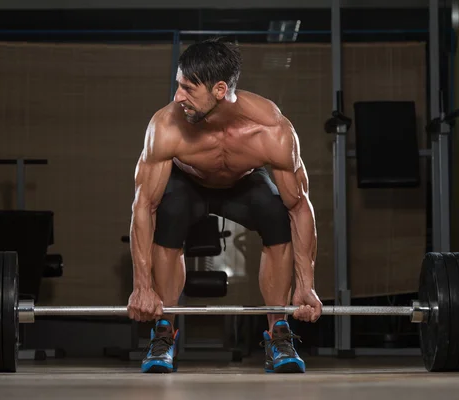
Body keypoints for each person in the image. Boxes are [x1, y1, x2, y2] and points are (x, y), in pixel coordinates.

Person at [127, 38, 323, 374]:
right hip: (187, 185)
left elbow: (300, 207)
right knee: (169, 213)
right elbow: (143, 206)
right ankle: (163, 331)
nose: (177, 97)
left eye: (188, 88)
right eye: (178, 85)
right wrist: (141, 286)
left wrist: (306, 284)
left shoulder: (271, 129)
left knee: (277, 212)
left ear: (219, 89)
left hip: (242, 185)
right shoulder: (165, 126)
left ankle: (278, 330)